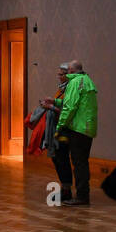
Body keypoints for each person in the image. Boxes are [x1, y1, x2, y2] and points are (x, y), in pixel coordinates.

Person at [41, 60, 96, 205]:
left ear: (70, 71)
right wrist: (55, 101)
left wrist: (60, 126)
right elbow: (70, 103)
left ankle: (82, 197)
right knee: (79, 161)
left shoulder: (74, 83)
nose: (60, 76)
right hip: (86, 127)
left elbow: (70, 108)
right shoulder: (86, 80)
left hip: (78, 128)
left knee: (79, 163)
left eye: (63, 73)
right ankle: (77, 194)